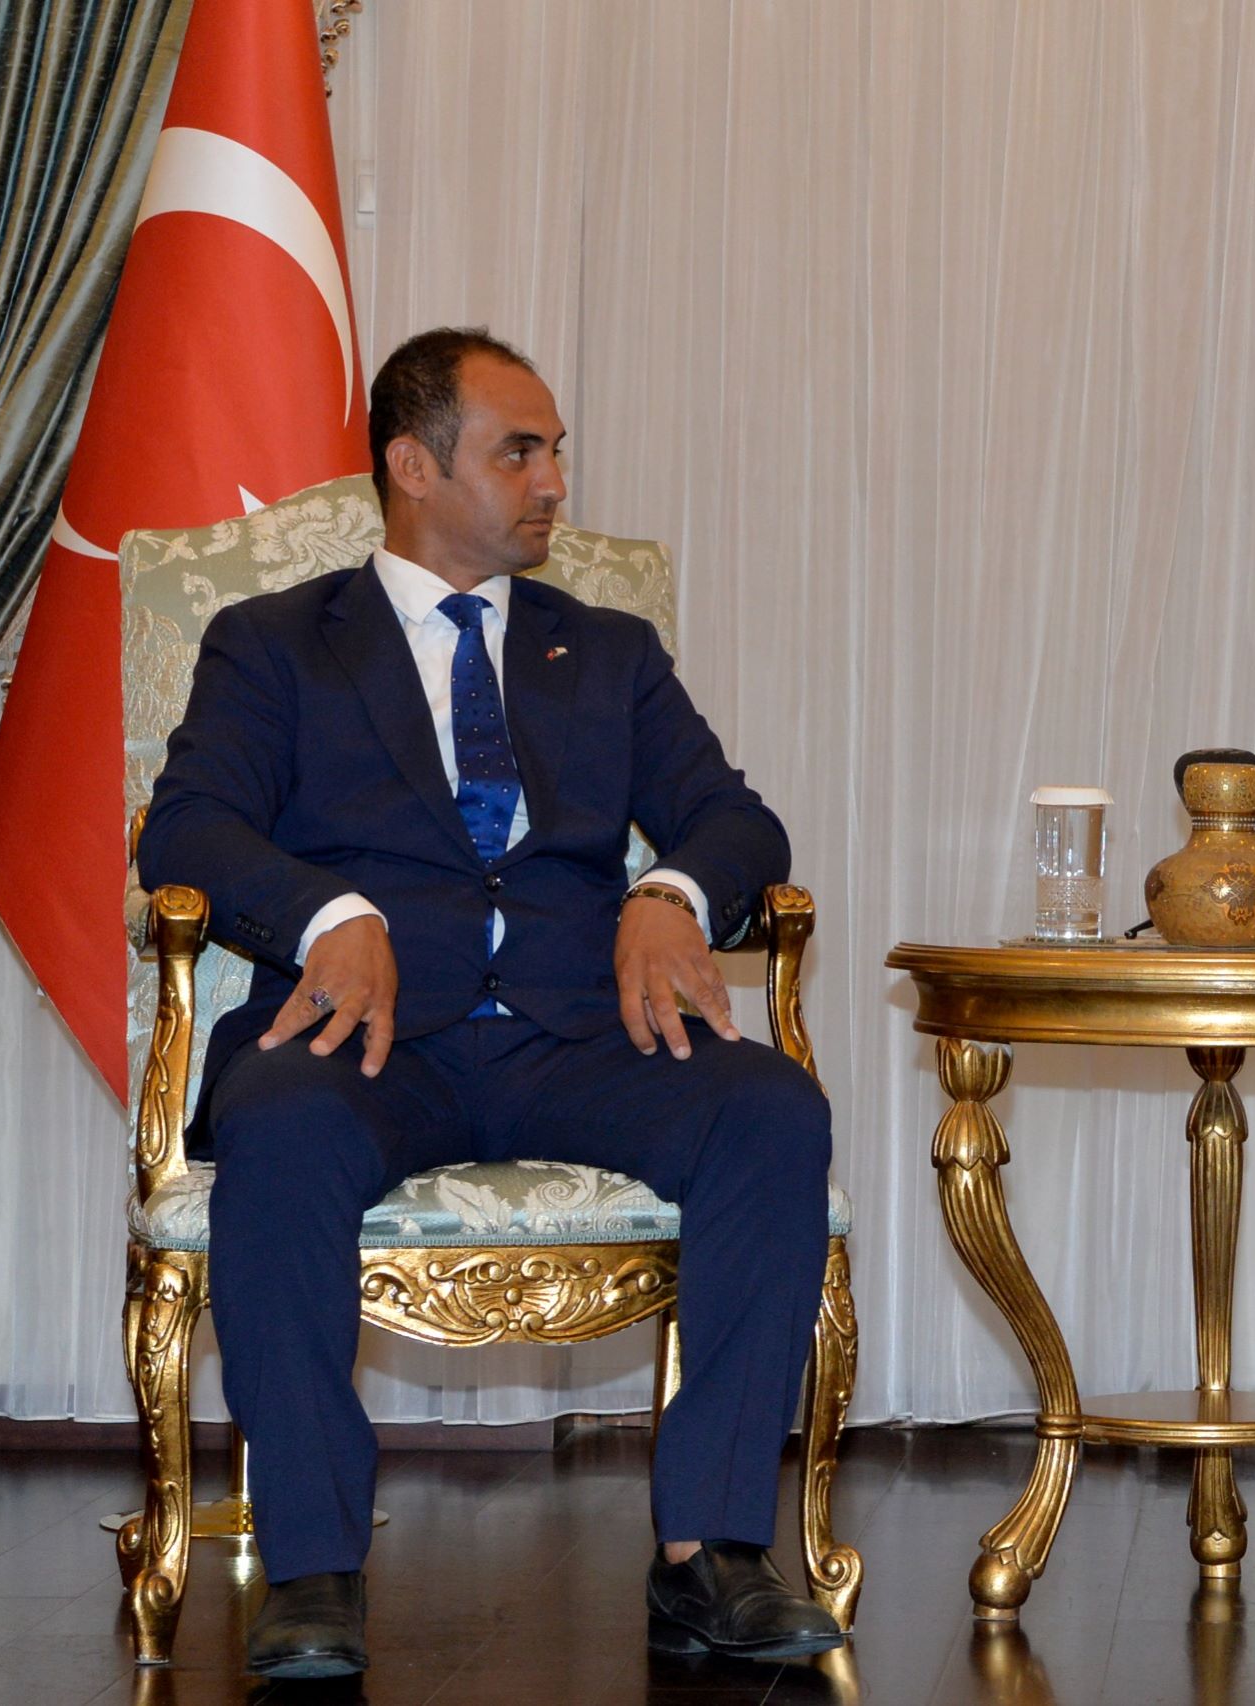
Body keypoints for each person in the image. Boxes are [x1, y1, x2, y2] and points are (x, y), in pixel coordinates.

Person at [138, 327, 843, 1677]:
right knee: (277, 1125)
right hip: (371, 1037)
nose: (554, 481)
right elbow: (188, 829)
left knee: (770, 1109)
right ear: (413, 466)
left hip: (585, 1034)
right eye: (520, 451)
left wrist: (671, 892)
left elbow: (737, 820)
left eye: (556, 451)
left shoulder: (609, 651)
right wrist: (331, 916)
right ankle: (313, 1567)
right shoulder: (277, 644)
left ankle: (710, 1552)